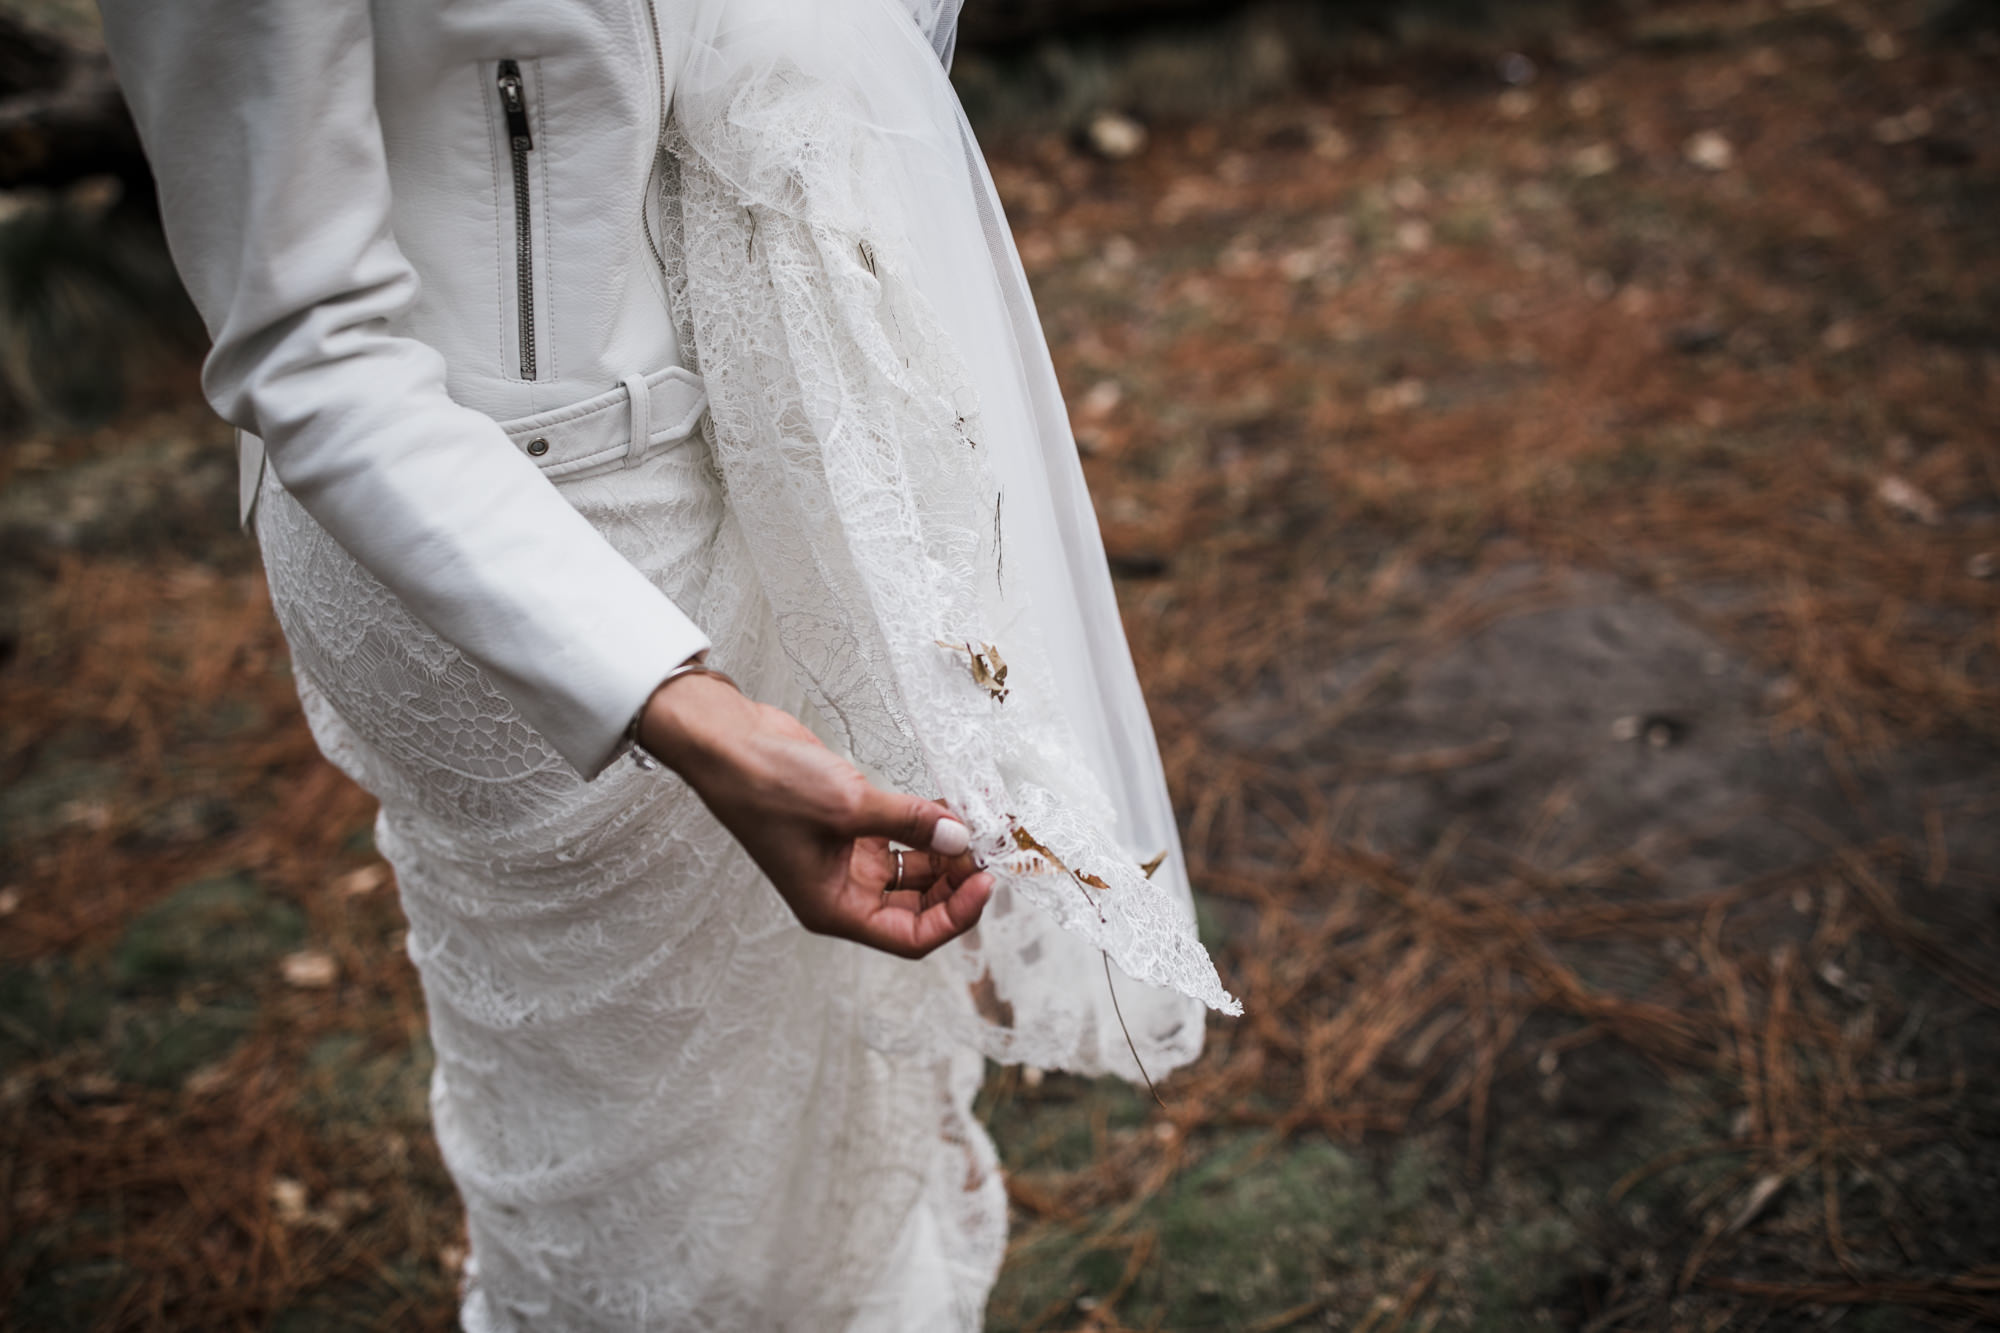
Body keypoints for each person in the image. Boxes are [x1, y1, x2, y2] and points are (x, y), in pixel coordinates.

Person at [99, 0, 1238, 1327]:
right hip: (482, 563)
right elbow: (303, 339)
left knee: (809, 1083)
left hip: (738, 469)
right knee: (641, 1158)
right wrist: (676, 699)